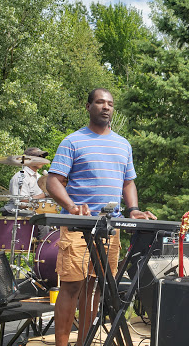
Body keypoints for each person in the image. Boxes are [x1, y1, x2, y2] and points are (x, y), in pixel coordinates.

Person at [46, 88, 156, 346]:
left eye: (110, 104)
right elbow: (53, 181)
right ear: (88, 107)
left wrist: (133, 210)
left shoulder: (123, 144)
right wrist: (72, 206)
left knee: (95, 289)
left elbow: (128, 183)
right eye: (99, 102)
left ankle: (84, 342)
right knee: (72, 287)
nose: (106, 107)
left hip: (110, 228)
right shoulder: (72, 141)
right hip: (77, 227)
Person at [2, 146, 48, 216]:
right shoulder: (20, 177)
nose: (42, 159)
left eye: (43, 157)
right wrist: (45, 194)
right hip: (17, 215)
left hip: (33, 214)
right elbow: (22, 204)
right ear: (28, 159)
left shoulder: (39, 177)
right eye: (39, 157)